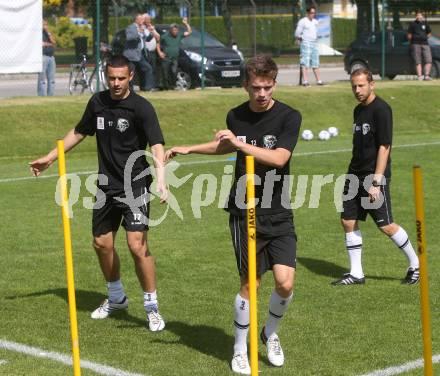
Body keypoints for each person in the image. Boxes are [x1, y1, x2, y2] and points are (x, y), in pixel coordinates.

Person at [165, 55, 301, 374]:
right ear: (245, 86)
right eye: (256, 87)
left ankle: (269, 333)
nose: (262, 93)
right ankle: (239, 349)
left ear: (275, 85)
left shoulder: (289, 117)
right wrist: (192, 148)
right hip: (244, 211)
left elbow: (279, 158)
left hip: (278, 210)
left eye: (267, 87)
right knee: (249, 283)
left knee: (285, 283)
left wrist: (239, 143)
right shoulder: (236, 116)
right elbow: (227, 146)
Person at [29, 55, 168, 331]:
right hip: (106, 187)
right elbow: (79, 132)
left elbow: (157, 144)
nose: (115, 83)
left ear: (131, 77)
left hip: (135, 185)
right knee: (101, 244)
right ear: (106, 76)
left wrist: (161, 179)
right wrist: (50, 157)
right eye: (111, 78)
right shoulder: (98, 103)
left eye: (121, 78)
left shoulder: (142, 108)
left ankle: (152, 306)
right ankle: (116, 297)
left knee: (136, 245)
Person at [332, 68, 420, 286]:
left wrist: (376, 181)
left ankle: (416, 264)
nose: (357, 90)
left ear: (372, 84)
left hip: (373, 176)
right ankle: (356, 273)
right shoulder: (358, 110)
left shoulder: (381, 109)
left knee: (386, 225)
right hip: (354, 174)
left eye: (361, 85)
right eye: (354, 86)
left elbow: (384, 146)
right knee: (348, 220)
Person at [157, 18, 192, 90]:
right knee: (165, 73)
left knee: (174, 72)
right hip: (166, 57)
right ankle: (165, 87)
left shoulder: (179, 35)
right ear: (170, 30)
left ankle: (172, 85)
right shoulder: (165, 36)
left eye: (176, 30)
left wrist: (186, 24)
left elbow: (189, 32)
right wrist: (160, 52)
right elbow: (157, 43)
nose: (176, 31)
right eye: (174, 30)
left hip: (175, 58)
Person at [123, 14, 155, 91]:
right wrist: (138, 32)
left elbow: (146, 39)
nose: (143, 21)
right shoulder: (130, 27)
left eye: (142, 19)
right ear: (136, 20)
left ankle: (147, 88)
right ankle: (130, 89)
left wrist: (151, 32)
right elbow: (129, 38)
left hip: (140, 55)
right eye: (141, 19)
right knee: (131, 72)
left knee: (148, 69)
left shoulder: (142, 28)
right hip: (131, 55)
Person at [294, 6, 323, 87]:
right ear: (308, 13)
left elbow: (317, 32)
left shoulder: (315, 22)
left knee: (315, 62)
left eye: (314, 13)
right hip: (306, 43)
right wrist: (299, 39)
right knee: (305, 63)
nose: (313, 14)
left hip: (314, 43)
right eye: (311, 13)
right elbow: (297, 33)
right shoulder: (303, 21)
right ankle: (305, 81)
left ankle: (319, 81)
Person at [407, 10, 432, 81]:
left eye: (420, 15)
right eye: (417, 15)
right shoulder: (412, 24)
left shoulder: (425, 23)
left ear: (422, 16)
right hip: (415, 44)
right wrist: (412, 41)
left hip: (425, 44)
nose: (419, 16)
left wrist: (425, 38)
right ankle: (420, 76)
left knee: (429, 60)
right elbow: (409, 35)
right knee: (418, 61)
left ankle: (426, 76)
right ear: (416, 16)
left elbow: (429, 33)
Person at [143, 13, 161, 90]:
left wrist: (152, 30)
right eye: (147, 19)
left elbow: (158, 37)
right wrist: (150, 32)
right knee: (148, 69)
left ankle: (152, 86)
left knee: (153, 69)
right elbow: (145, 39)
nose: (149, 21)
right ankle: (147, 86)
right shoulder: (142, 28)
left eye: (149, 19)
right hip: (146, 52)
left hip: (153, 52)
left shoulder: (151, 27)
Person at [38, 19, 56, 96]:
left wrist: (48, 32)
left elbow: (53, 42)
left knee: (51, 79)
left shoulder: (48, 33)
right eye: (44, 24)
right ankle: (41, 95)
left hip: (51, 57)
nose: (45, 26)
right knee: (42, 79)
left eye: (46, 24)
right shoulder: (38, 33)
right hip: (43, 56)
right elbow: (40, 44)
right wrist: (49, 44)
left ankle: (51, 95)